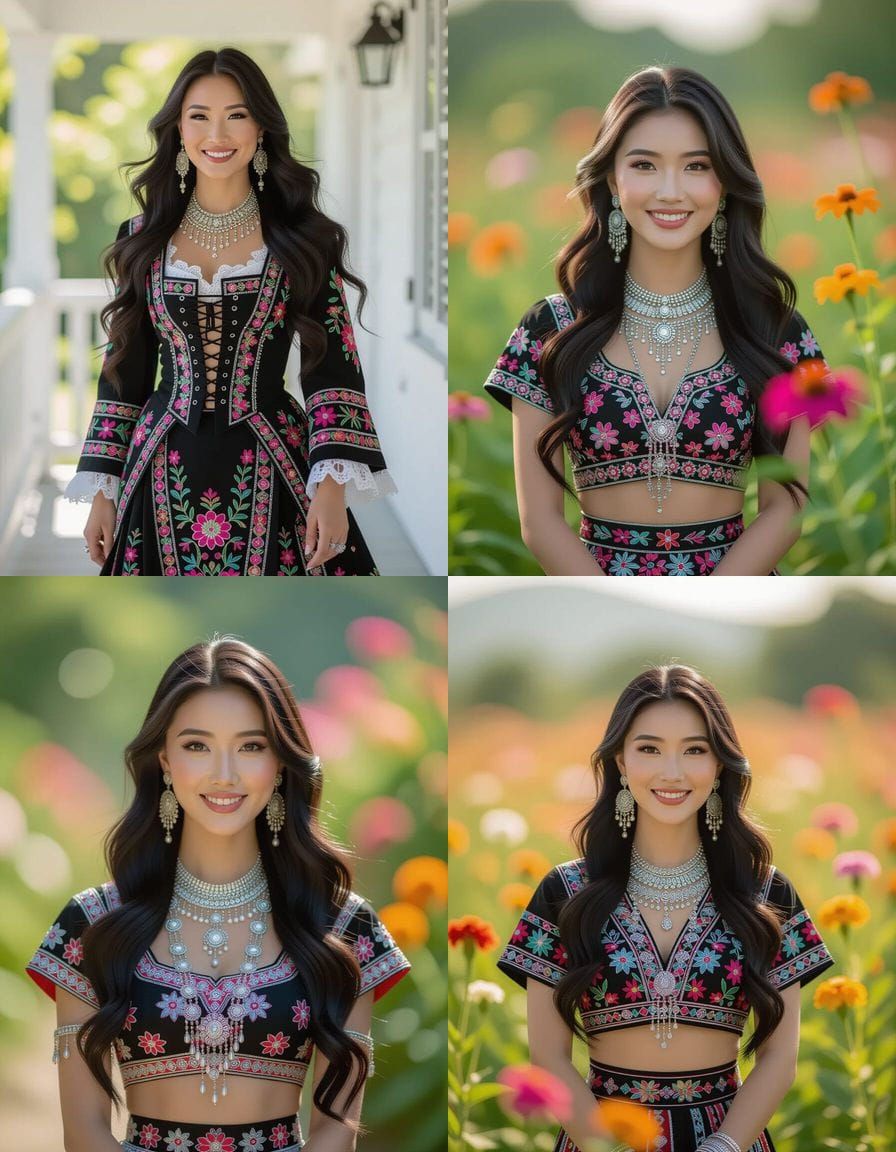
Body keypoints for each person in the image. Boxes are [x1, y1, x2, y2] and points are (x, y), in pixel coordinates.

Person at [26, 639, 410, 1151]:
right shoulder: (92, 923)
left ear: (280, 764)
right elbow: (84, 1132)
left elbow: (335, 1133)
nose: (224, 774)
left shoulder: (340, 927)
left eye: (251, 746)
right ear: (163, 759)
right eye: (196, 745)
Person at [484, 66, 830, 576]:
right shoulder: (552, 328)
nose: (671, 191)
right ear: (610, 177)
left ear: (728, 181)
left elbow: (785, 510)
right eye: (645, 165)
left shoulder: (776, 331)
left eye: (696, 166)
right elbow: (539, 522)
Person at [70, 47, 395, 575]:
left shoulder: (303, 239)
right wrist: (103, 491)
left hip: (273, 458)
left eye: (236, 116)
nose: (217, 135)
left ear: (261, 128)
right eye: (199, 116)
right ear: (178, 128)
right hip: (159, 465)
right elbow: (123, 370)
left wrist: (332, 488)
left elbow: (331, 368)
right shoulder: (141, 238)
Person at [496, 665, 835, 1152]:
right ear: (619, 760)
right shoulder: (566, 892)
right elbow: (548, 1057)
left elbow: (781, 1058)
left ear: (720, 765)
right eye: (649, 748)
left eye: (695, 750)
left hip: (729, 1139)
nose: (672, 772)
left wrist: (724, 1145)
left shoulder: (765, 893)